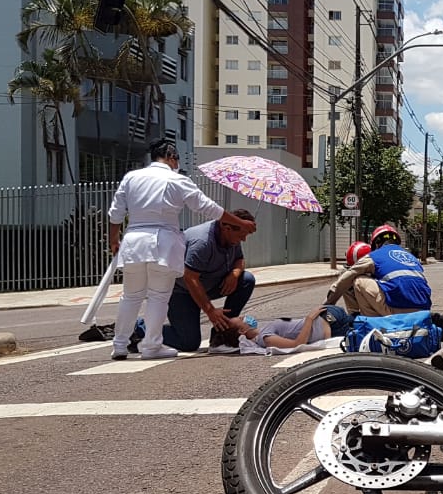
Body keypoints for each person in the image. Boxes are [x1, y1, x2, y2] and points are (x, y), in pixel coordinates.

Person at [108, 139, 255, 361]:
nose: (177, 164)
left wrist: (113, 240)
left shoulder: (131, 178)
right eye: (176, 159)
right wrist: (241, 223)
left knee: (131, 296)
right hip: (163, 243)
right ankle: (150, 346)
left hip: (133, 241)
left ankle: (119, 345)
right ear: (170, 157)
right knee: (158, 296)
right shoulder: (177, 180)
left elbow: (116, 212)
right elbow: (206, 207)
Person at [160, 209, 258, 352]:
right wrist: (211, 311)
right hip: (182, 290)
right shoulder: (202, 242)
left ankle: (221, 334)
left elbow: (239, 259)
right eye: (241, 235)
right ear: (227, 228)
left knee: (246, 279)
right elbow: (190, 278)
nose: (243, 240)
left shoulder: (231, 236)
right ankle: (139, 328)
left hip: (210, 285)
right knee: (188, 342)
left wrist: (235, 274)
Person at [324, 224, 431, 316]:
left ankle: (363, 321)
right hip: (423, 310)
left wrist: (326, 306)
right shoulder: (411, 258)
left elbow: (345, 279)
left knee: (356, 279)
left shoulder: (374, 256)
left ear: (376, 243)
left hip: (395, 311)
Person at [210, 305, 352, 351]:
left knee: (367, 320)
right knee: (366, 323)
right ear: (242, 331)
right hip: (332, 324)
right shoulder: (266, 338)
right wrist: (309, 319)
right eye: (241, 319)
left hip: (328, 320)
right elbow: (297, 344)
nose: (245, 316)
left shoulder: (264, 332)